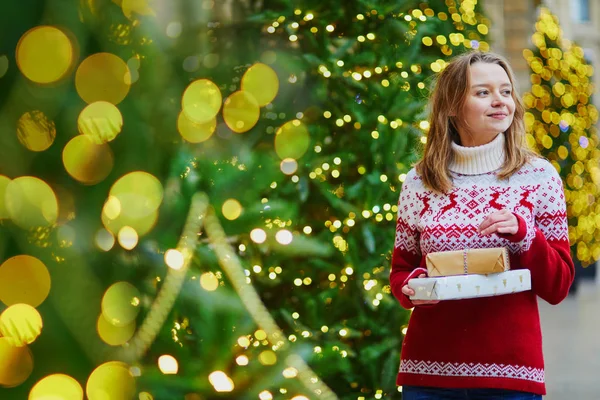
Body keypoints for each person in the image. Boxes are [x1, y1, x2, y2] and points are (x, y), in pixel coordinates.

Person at [389, 51, 574, 400]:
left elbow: (558, 285)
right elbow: (401, 272)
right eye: (483, 92)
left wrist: (524, 233)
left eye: (506, 91)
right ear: (452, 105)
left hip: (511, 377)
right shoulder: (419, 181)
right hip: (428, 375)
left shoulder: (539, 177)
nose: (499, 101)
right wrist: (413, 287)